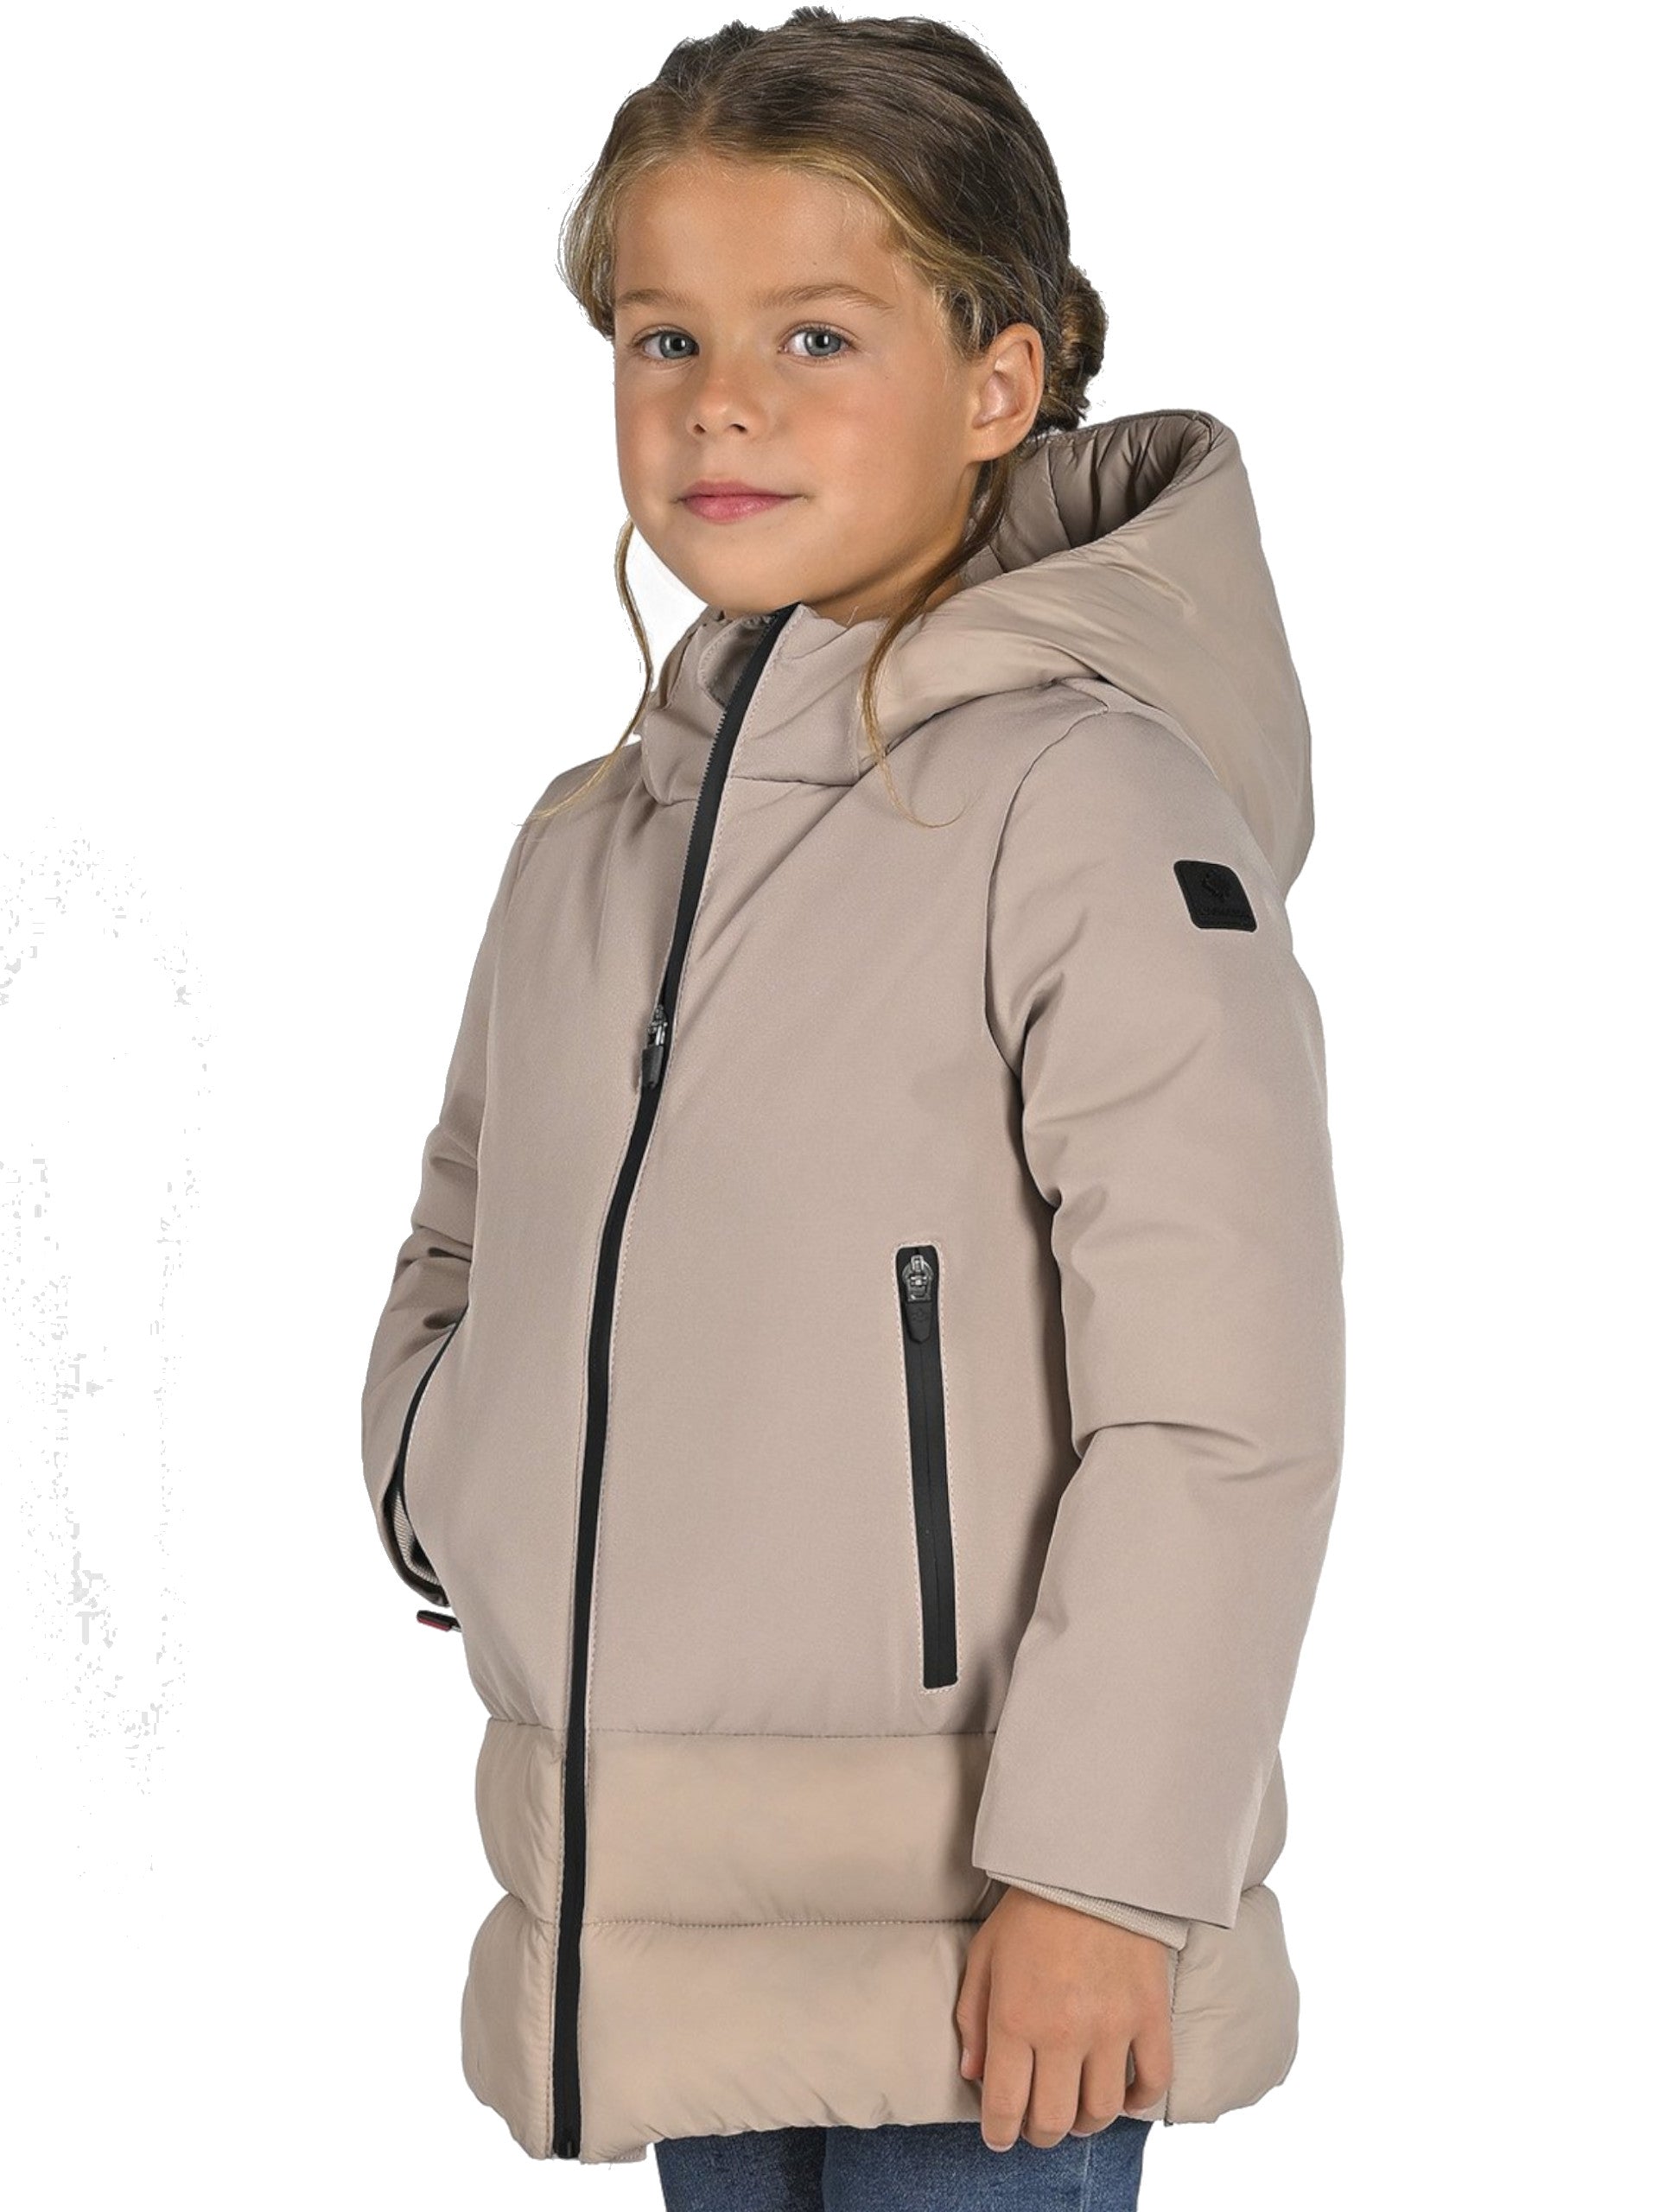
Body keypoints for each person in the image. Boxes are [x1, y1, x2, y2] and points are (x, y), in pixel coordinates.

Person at [358, 10, 1345, 2208]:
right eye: (666, 337)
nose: (722, 401)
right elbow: (470, 1223)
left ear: (1001, 379)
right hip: (664, 1906)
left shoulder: (1082, 801)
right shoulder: (590, 839)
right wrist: (443, 1479)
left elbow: (1226, 1395)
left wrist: (1104, 1869)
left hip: (994, 1931)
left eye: (816, 334)